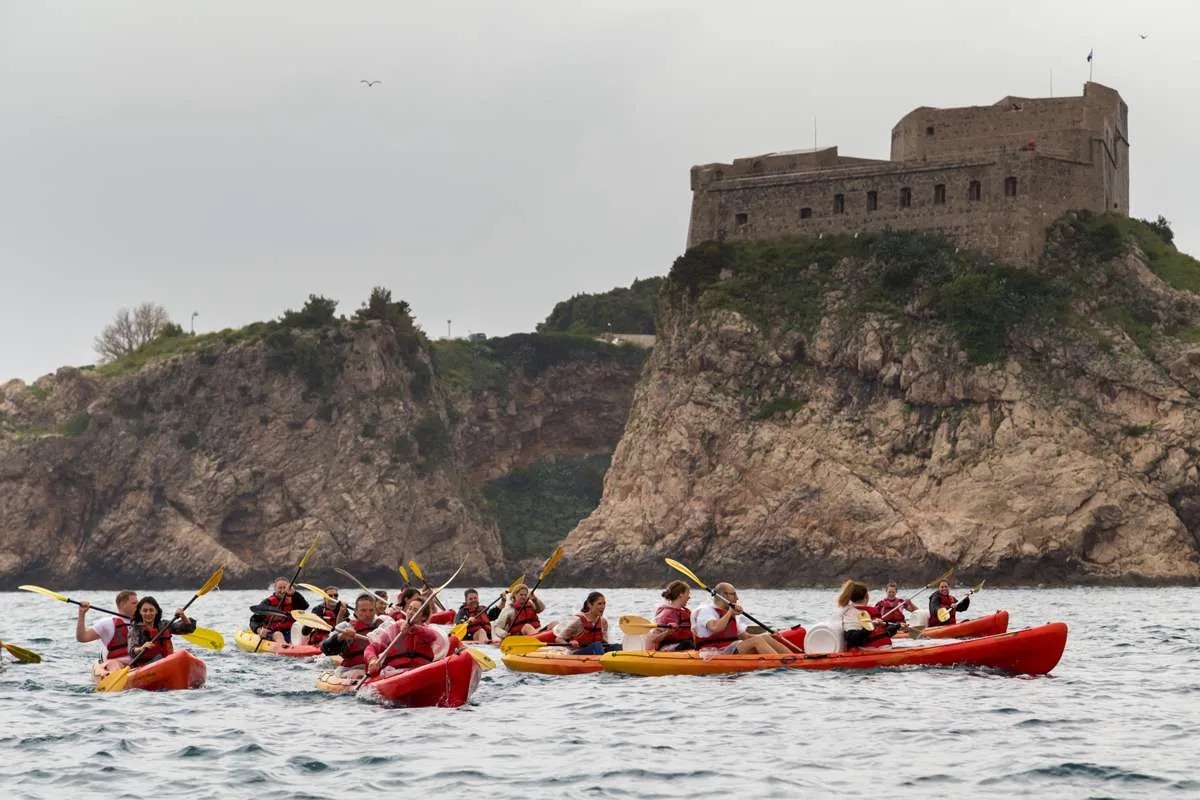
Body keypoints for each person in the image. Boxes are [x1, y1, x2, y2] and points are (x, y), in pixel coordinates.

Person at [364, 601, 464, 677]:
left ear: (423, 617)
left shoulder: (429, 631)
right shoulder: (394, 629)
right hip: (394, 673)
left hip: (421, 672)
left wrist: (413, 628)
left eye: (416, 610)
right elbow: (371, 648)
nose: (411, 612)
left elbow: (432, 636)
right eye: (410, 608)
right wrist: (372, 660)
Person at [693, 583, 792, 655]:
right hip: (712, 651)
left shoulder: (729, 612)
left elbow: (746, 636)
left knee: (764, 638)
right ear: (724, 595)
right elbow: (714, 627)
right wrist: (730, 613)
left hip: (730, 648)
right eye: (733, 594)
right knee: (757, 641)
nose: (737, 598)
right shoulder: (706, 611)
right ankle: (781, 663)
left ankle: (794, 658)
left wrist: (770, 635)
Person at [321, 593, 383, 678]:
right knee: (359, 675)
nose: (368, 614)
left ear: (375, 611)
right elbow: (325, 649)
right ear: (356, 612)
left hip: (377, 666)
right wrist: (341, 637)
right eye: (363, 610)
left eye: (371, 610)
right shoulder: (345, 627)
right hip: (352, 669)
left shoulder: (383, 625)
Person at [126, 596, 197, 665]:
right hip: (145, 666)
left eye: (151, 610)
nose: (148, 613)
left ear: (156, 611)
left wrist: (183, 616)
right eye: (145, 611)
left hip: (166, 662)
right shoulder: (135, 629)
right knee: (158, 657)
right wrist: (141, 648)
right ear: (140, 612)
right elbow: (132, 651)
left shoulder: (163, 625)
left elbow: (189, 629)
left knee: (187, 654)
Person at [76, 590, 139, 665]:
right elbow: (82, 637)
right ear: (122, 605)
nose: (138, 605)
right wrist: (81, 614)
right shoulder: (108, 623)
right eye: (134, 603)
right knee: (114, 664)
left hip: (141, 663)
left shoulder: (144, 622)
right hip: (117, 665)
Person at [555, 592, 622, 655]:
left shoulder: (603, 622)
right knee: (596, 646)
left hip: (597, 651)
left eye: (604, 603)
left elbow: (605, 642)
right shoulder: (579, 621)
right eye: (599, 604)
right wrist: (570, 643)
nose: (603, 607)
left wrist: (603, 639)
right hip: (578, 653)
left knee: (617, 646)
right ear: (589, 605)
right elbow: (559, 639)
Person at [837, 580, 897, 648]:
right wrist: (870, 627)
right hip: (867, 651)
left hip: (881, 649)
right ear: (866, 596)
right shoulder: (851, 613)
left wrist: (896, 626)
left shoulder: (869, 611)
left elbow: (882, 633)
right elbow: (852, 639)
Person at [250, 577, 309, 643]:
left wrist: (294, 593)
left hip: (291, 632)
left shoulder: (295, 599)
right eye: (280, 588)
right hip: (273, 632)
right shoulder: (268, 602)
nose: (282, 591)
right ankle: (285, 646)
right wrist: (259, 630)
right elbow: (254, 620)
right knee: (278, 634)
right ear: (275, 589)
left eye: (285, 588)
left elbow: (305, 606)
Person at [646, 580, 694, 652]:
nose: (689, 597)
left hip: (687, 645)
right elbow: (654, 638)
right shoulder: (666, 614)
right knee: (687, 644)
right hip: (669, 648)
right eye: (688, 593)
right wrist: (667, 632)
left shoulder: (686, 612)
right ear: (681, 594)